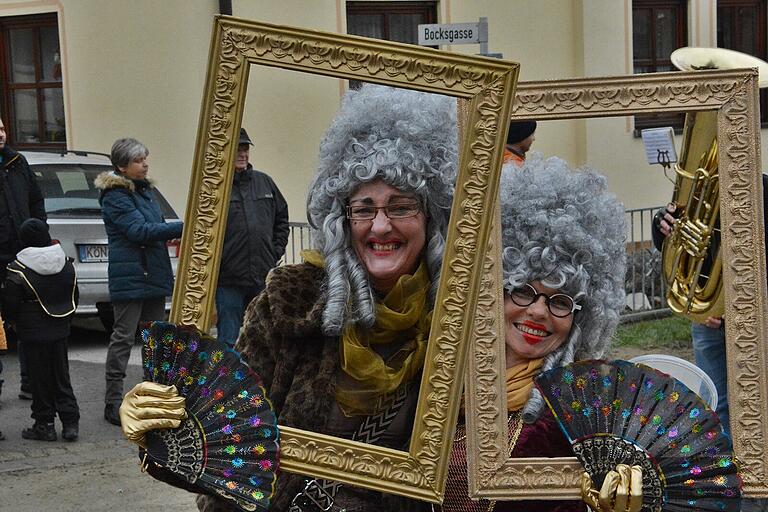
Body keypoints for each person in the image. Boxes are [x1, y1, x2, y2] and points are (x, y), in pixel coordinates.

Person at [119, 84, 458, 512]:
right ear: (342, 218)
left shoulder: (462, 321)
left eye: (402, 206)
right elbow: (225, 441)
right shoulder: (288, 306)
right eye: (364, 208)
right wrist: (161, 429)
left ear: (432, 216)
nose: (380, 226)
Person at [437, 154, 639, 512]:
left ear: (582, 317)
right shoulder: (439, 381)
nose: (537, 311)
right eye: (524, 290)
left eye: (560, 301)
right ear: (492, 290)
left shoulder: (589, 410)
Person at [650, 173, 768, 438]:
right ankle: (726, 471)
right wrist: (661, 224)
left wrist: (742, 304)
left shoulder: (762, 188)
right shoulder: (696, 192)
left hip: (755, 318)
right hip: (708, 320)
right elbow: (671, 244)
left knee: (757, 401)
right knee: (715, 405)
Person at [96, 138, 183, 426]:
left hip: (153, 272)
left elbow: (153, 228)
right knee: (123, 337)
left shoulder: (146, 191)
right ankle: (113, 400)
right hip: (131, 275)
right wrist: (185, 225)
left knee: (156, 339)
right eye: (138, 160)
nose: (145, 164)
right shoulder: (115, 195)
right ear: (122, 166)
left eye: (145, 159)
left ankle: (153, 399)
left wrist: (170, 231)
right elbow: (139, 230)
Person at [2, 218, 80, 441]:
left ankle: (44, 424)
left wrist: (12, 323)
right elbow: (74, 296)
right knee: (61, 377)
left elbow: (10, 304)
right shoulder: (65, 263)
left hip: (32, 333)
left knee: (39, 380)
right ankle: (70, 422)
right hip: (60, 329)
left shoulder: (18, 269)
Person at [215, 127, 289, 346]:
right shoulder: (216, 187)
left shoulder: (265, 182)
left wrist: (275, 251)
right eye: (237, 148)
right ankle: (227, 380)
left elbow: (282, 218)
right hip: (229, 279)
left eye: (245, 148)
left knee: (263, 338)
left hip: (261, 276)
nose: (242, 153)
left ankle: (259, 381)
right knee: (228, 341)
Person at [0, 117, 46, 402]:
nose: (0, 135)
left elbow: (36, 200)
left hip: (22, 254)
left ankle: (30, 382)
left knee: (28, 320)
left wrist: (38, 230)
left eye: (2, 129)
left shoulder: (17, 162)